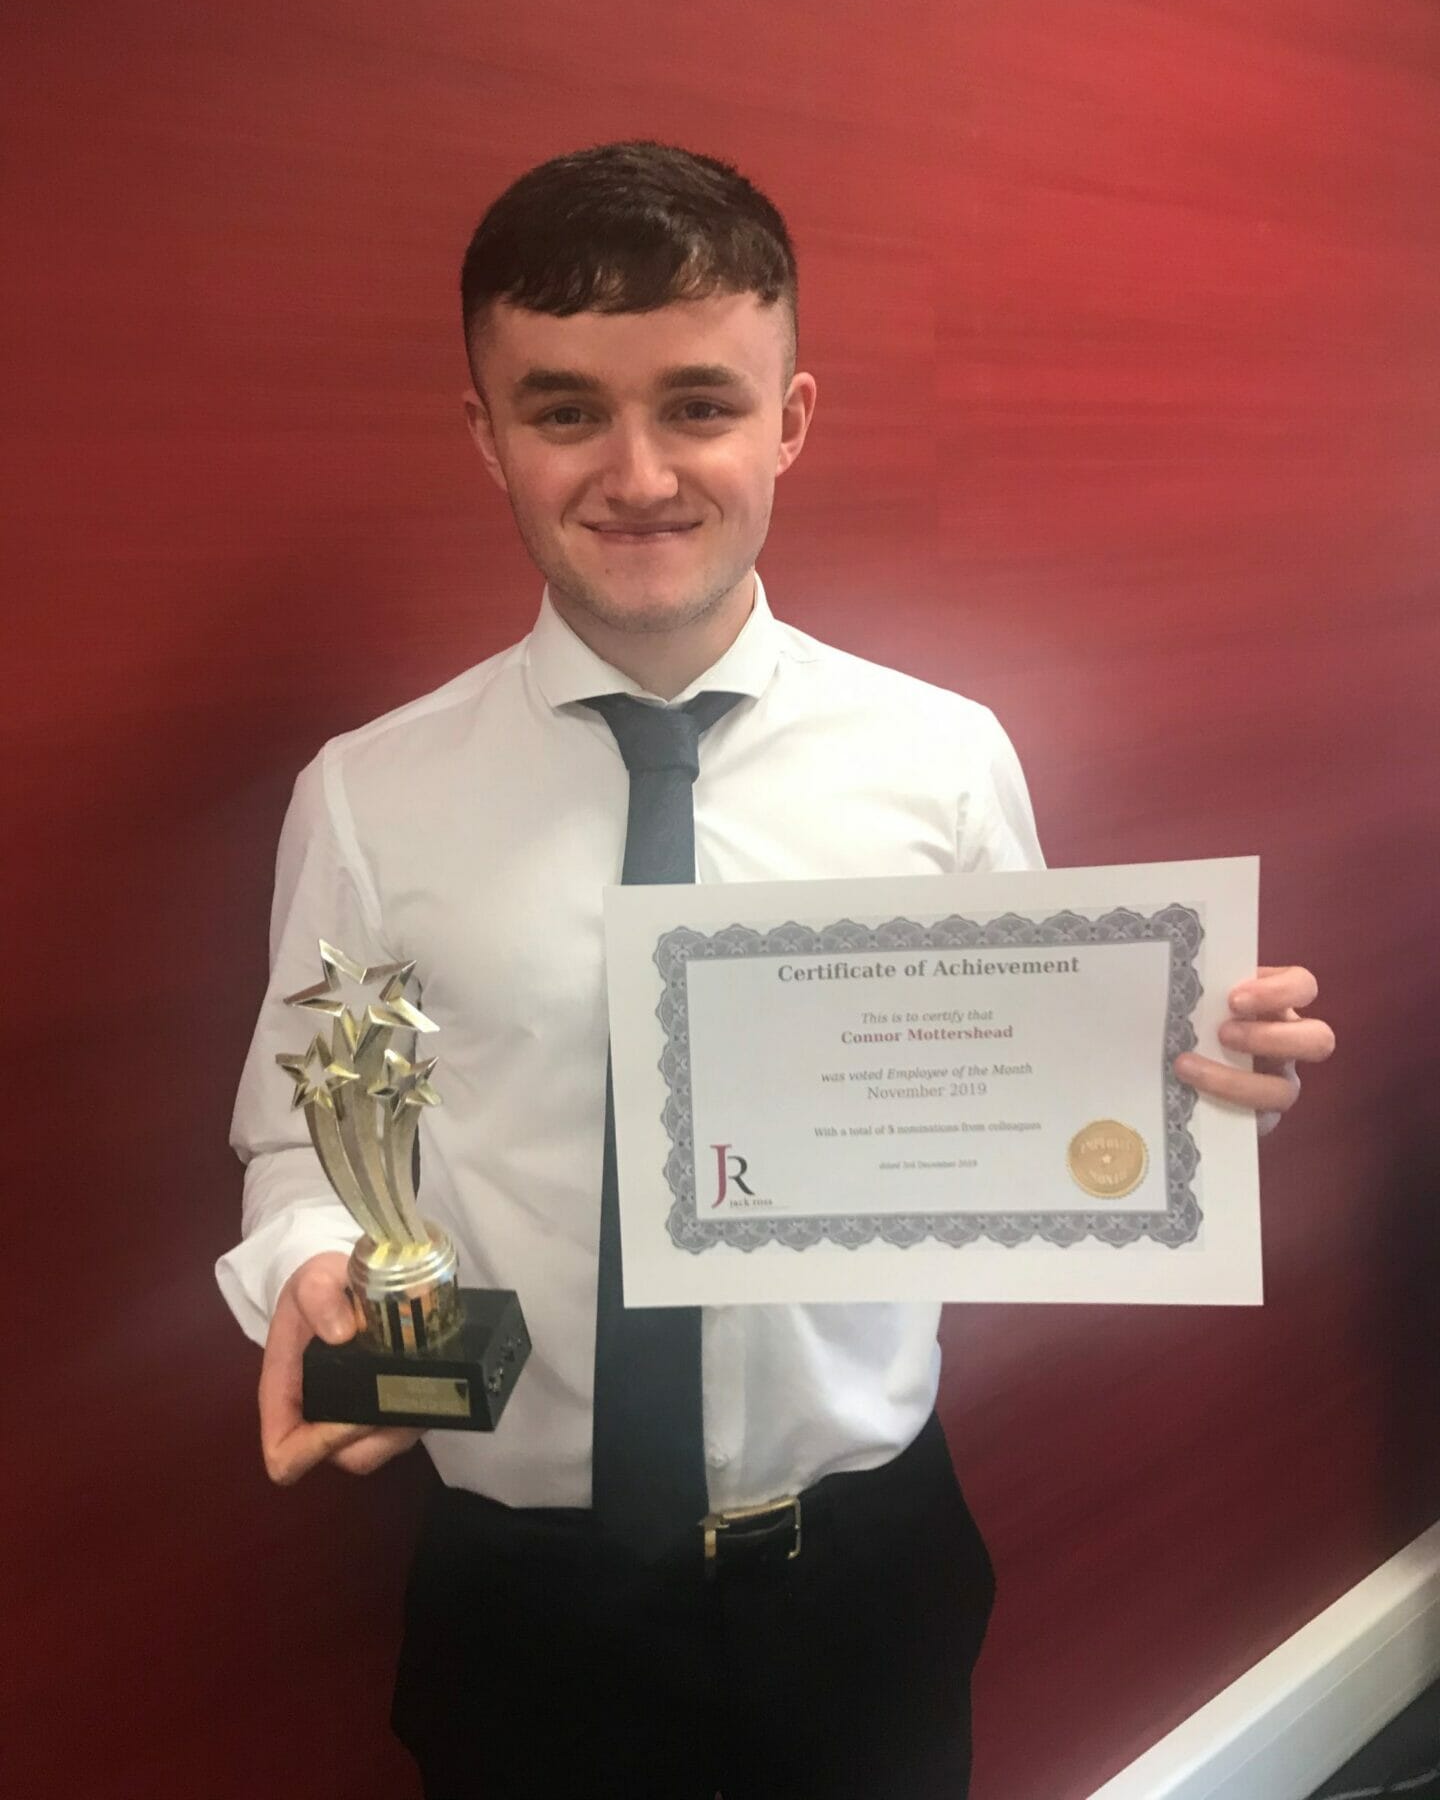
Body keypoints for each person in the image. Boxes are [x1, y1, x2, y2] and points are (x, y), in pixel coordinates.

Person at [218, 140, 1335, 1800]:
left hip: (861, 1571)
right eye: (564, 409)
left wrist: (1190, 1099)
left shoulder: (942, 760)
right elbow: (300, 1138)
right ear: (487, 439)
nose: (639, 471)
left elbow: (1020, 1111)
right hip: (527, 1595)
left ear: (792, 419)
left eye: (699, 403)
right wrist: (311, 1264)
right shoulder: (369, 797)